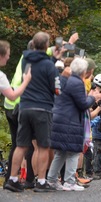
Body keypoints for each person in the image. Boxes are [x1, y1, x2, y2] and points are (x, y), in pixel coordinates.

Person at [4, 31, 61, 192]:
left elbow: (39, 64)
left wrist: (53, 58)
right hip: (42, 108)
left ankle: (13, 179)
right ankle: (41, 181)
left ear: (34, 44)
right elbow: (57, 89)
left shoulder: (26, 60)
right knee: (43, 146)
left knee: (21, 145)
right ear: (46, 45)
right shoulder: (49, 66)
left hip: (24, 107)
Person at [47, 58, 101, 191]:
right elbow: (82, 104)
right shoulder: (77, 82)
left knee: (60, 152)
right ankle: (69, 181)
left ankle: (52, 180)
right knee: (73, 152)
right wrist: (94, 97)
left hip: (59, 119)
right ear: (84, 71)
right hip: (70, 121)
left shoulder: (66, 80)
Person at [2, 40, 34, 189]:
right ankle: (29, 179)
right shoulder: (30, 61)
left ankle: (10, 178)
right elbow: (25, 82)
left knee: (17, 144)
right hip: (20, 105)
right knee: (27, 144)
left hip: (10, 106)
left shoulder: (23, 58)